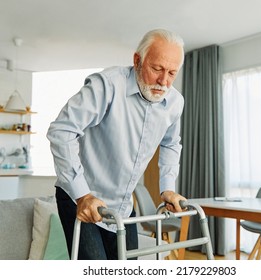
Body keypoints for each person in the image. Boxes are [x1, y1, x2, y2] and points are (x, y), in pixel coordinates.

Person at [46, 29, 187, 260]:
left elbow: (171, 144)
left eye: (172, 72)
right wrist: (83, 195)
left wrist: (167, 188)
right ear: (137, 60)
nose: (164, 81)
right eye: (157, 69)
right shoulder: (108, 85)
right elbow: (61, 130)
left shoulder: (174, 102)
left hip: (122, 204)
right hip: (81, 198)